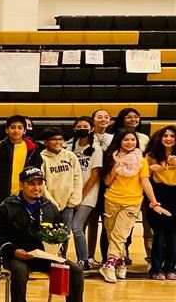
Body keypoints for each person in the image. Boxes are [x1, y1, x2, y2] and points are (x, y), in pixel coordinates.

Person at [0, 167, 88, 302]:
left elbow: (60, 233)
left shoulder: (50, 207)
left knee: (75, 270)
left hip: (44, 257)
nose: (36, 188)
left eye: (39, 183)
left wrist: (57, 249)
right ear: (21, 185)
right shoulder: (7, 206)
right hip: (16, 255)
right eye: (31, 184)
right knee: (19, 272)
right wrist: (14, 250)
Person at [99, 130, 169, 282]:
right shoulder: (112, 157)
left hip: (132, 201)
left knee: (120, 234)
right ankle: (121, 262)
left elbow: (145, 181)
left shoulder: (142, 160)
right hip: (111, 199)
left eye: (132, 139)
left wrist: (153, 201)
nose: (130, 142)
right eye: (126, 140)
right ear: (120, 141)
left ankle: (109, 264)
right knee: (113, 234)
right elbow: (107, 182)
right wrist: (116, 165)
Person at [37, 128, 83, 259]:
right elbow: (42, 183)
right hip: (49, 203)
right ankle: (47, 257)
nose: (57, 142)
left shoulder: (70, 156)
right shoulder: (41, 158)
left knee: (64, 233)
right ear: (45, 142)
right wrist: (51, 202)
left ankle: (62, 257)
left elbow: (77, 178)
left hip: (68, 203)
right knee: (48, 233)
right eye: (53, 139)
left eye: (60, 139)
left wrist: (74, 200)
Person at [0, 115, 39, 213]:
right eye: (12, 127)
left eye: (20, 128)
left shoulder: (32, 149)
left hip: (27, 195)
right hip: (3, 197)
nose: (16, 131)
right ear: (7, 130)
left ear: (24, 131)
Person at [69, 117, 103, 268]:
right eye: (79, 126)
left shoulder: (96, 149)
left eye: (85, 126)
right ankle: (74, 258)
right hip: (70, 192)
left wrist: (80, 196)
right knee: (75, 228)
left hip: (88, 194)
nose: (82, 128)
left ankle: (84, 260)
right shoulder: (68, 147)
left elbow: (95, 175)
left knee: (76, 226)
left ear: (91, 129)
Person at [145, 126, 176, 279]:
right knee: (159, 233)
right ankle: (156, 269)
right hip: (158, 193)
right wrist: (155, 168)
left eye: (172, 136)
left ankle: (171, 268)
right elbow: (144, 175)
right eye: (165, 136)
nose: (169, 138)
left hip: (174, 194)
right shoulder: (151, 155)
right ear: (160, 138)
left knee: (173, 234)